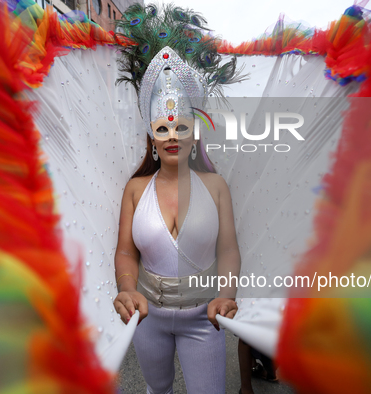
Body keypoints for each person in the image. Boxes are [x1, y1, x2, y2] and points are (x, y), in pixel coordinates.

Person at [111, 3, 245, 393]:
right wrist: (127, 287)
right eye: (163, 128)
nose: (172, 135)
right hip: (148, 317)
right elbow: (124, 252)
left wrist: (226, 296)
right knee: (158, 390)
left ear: (194, 133)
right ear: (152, 137)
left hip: (205, 318)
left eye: (180, 126)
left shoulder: (216, 187)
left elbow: (230, 249)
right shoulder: (135, 190)